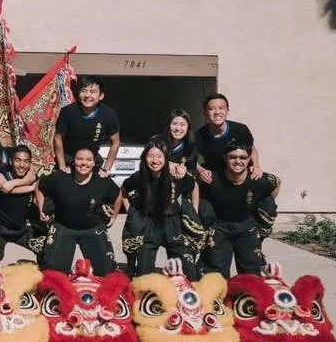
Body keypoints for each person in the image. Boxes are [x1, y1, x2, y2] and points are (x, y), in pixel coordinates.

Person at [120, 137, 201, 278]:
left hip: (173, 223)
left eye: (159, 156)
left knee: (189, 274)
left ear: (166, 158)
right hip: (148, 225)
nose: (155, 160)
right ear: (144, 158)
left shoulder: (176, 174)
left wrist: (194, 209)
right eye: (151, 156)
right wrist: (131, 211)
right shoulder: (140, 177)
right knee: (143, 275)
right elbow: (124, 188)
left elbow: (193, 186)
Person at [36, 145, 122, 276]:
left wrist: (114, 216)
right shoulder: (61, 177)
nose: (84, 163)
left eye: (88, 160)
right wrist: (41, 209)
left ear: (94, 163)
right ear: (73, 161)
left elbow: (117, 195)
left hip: (93, 228)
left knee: (107, 271)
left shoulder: (102, 181)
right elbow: (40, 185)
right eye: (80, 159)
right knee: (53, 273)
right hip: (63, 227)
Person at [201, 140, 281, 278]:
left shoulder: (258, 179)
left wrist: (264, 203)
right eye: (233, 157)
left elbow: (277, 182)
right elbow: (193, 188)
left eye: (243, 158)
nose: (238, 161)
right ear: (225, 158)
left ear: (249, 159)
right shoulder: (212, 179)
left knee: (253, 272)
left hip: (246, 226)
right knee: (215, 273)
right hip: (220, 226)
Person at [0, 136, 42, 264]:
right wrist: (30, 187)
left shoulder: (11, 153)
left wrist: (18, 183)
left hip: (22, 226)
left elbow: (31, 171)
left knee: (47, 248)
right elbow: (4, 187)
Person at [53, 76, 120, 177]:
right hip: (69, 160)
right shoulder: (67, 112)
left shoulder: (108, 114)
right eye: (84, 91)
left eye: (92, 92)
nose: (87, 95)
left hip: (92, 161)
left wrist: (106, 169)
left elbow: (115, 142)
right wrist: (62, 167)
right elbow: (58, 138)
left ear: (101, 96)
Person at [195, 93, 262, 186]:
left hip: (242, 177)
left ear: (227, 111)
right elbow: (190, 157)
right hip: (216, 180)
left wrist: (256, 165)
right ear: (205, 113)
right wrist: (200, 170)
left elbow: (252, 148)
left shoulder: (240, 129)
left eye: (221, 108)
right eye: (211, 109)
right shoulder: (198, 135)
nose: (217, 112)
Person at [165, 109, 198, 178]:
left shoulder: (191, 148)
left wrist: (185, 171)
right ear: (168, 125)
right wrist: (166, 164)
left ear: (188, 127)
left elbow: (192, 172)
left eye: (182, 125)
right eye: (174, 124)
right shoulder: (158, 142)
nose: (178, 128)